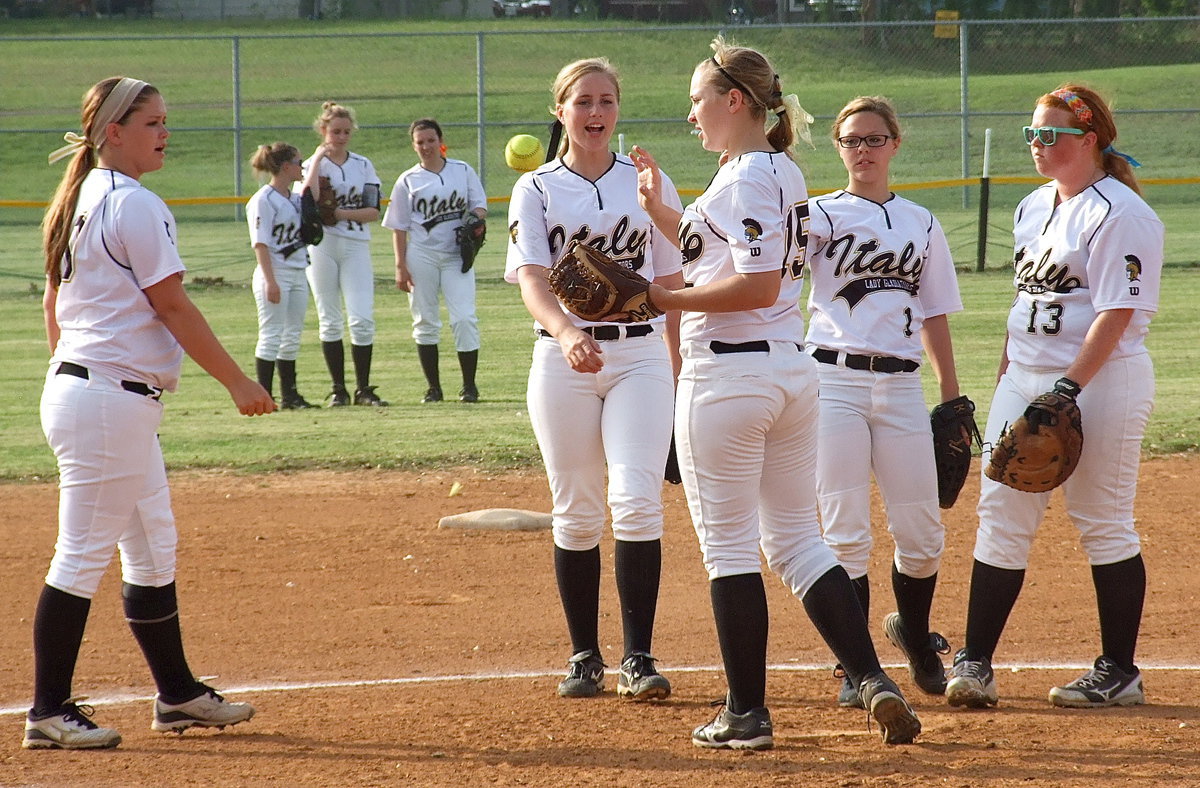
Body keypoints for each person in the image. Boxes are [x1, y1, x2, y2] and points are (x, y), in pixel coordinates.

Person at [632, 38, 921, 749]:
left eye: (699, 99)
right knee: (797, 540)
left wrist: (658, 296)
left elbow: (757, 284)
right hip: (790, 374)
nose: (691, 112)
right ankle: (873, 680)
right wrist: (664, 216)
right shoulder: (779, 169)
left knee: (730, 549)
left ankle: (746, 715)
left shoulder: (743, 179)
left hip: (729, 376)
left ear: (736, 101)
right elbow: (731, 253)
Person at [29, 76, 273, 750]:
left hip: (99, 395)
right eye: (152, 123)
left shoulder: (80, 197)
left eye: (166, 121)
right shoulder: (133, 203)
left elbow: (56, 307)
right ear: (113, 132)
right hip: (107, 400)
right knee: (79, 557)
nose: (165, 132)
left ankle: (177, 695)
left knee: (152, 546)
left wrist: (75, 368)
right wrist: (236, 381)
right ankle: (48, 710)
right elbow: (172, 305)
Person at [946, 85, 1162, 710]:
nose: (1038, 145)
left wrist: (1068, 389)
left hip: (1102, 380)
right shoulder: (1032, 206)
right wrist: (1005, 382)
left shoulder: (1121, 213)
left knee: (1102, 519)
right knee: (1001, 518)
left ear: (1089, 140)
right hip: (1025, 379)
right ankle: (975, 663)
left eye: (1052, 135)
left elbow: (1117, 314)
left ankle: (1120, 671)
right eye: (1032, 134)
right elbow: (1026, 307)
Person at [504, 58, 683, 703]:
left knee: (636, 500)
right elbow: (531, 277)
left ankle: (639, 656)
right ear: (561, 111)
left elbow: (671, 283)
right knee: (576, 511)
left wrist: (678, 362)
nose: (596, 112)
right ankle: (585, 655)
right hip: (564, 361)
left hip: (639, 357)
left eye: (606, 100)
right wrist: (566, 330)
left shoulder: (648, 183)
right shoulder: (538, 189)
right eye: (583, 101)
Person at [805, 96, 964, 708]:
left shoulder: (920, 221)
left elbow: (935, 312)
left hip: (900, 386)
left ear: (895, 144)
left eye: (874, 139)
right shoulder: (816, 215)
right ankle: (856, 667)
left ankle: (916, 637)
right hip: (832, 383)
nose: (863, 150)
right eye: (851, 140)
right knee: (844, 534)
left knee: (922, 535)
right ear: (839, 149)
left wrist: (952, 396)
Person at [383, 118, 487, 403]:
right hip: (422, 255)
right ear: (414, 146)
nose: (426, 146)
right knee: (425, 320)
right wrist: (400, 266)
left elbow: (479, 205)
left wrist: (473, 219)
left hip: (456, 254)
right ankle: (434, 388)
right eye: (420, 142)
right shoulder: (407, 180)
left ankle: (469, 386)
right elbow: (399, 226)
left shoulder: (462, 170)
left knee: (464, 317)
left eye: (430, 140)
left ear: (441, 141)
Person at [303, 101, 387, 407]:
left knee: (362, 317)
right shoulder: (313, 163)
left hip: (355, 245)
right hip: (322, 245)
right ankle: (338, 390)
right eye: (335, 131)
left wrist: (339, 212)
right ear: (323, 130)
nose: (340, 137)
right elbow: (309, 198)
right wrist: (316, 159)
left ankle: (364, 389)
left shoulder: (362, 164)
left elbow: (372, 211)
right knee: (329, 319)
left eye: (346, 131)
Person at [246, 141, 318, 409]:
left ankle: (290, 395)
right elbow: (260, 244)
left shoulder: (296, 199)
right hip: (274, 273)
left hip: (299, 271)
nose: (302, 168)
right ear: (286, 167)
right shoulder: (263, 200)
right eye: (299, 163)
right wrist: (271, 281)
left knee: (292, 335)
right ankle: (264, 395)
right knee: (271, 334)